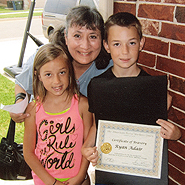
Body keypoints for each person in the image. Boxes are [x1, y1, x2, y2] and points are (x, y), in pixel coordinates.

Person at [81, 12, 182, 184]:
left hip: (144, 175)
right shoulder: (97, 86)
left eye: (132, 43)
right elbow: (98, 125)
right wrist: (85, 148)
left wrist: (175, 134)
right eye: (117, 44)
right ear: (106, 46)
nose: (125, 51)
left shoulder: (154, 90)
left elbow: (162, 130)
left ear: (141, 43)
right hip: (111, 172)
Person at [10, 5, 112, 123]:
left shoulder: (109, 69)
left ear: (102, 40)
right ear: (66, 37)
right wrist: (19, 104)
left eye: (93, 36)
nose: (85, 45)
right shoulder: (46, 58)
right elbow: (22, 84)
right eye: (77, 36)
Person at [23, 43, 93, 185]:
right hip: (45, 181)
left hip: (78, 180)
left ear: (69, 71)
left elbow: (88, 145)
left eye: (62, 72)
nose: (57, 81)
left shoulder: (83, 105)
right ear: (39, 76)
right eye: (48, 74)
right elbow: (29, 153)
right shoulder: (33, 109)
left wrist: (80, 176)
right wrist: (52, 183)